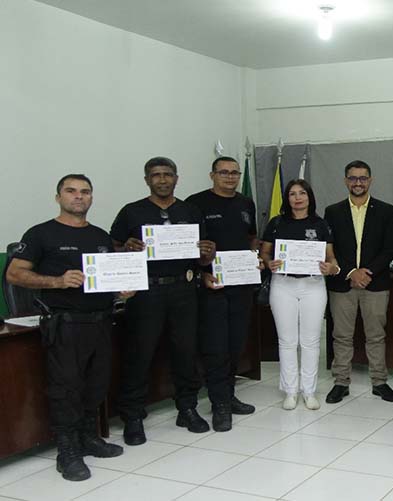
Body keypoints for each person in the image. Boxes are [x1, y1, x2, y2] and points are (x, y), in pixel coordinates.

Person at [6, 175, 129, 481]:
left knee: (96, 384)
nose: (79, 197)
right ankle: (67, 451)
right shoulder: (40, 234)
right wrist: (57, 281)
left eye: (85, 192)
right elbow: (14, 274)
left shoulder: (100, 236)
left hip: (101, 321)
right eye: (71, 191)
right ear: (58, 197)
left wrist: (123, 290)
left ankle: (88, 438)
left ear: (91, 198)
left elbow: (108, 280)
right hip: (65, 325)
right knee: (66, 389)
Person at [111, 156, 216, 445]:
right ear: (147, 179)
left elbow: (203, 254)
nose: (162, 179)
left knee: (185, 351)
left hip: (184, 289)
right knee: (139, 353)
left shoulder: (190, 210)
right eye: (156, 175)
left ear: (176, 179)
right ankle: (132, 414)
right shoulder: (132, 212)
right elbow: (113, 247)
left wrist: (208, 252)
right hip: (146, 292)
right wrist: (126, 248)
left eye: (167, 174)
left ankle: (187, 407)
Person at [185, 156, 261, 432]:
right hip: (212, 286)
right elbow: (189, 245)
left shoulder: (245, 203)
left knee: (235, 343)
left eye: (234, 173)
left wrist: (255, 257)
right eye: (224, 172)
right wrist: (202, 273)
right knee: (215, 347)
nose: (230, 177)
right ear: (212, 175)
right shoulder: (195, 203)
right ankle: (219, 405)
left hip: (242, 284)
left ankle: (228, 394)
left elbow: (251, 237)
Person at [259, 179, 340, 411]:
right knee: (287, 341)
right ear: (287, 198)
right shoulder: (276, 223)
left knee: (310, 341)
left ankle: (309, 390)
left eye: (302, 193)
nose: (297, 198)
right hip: (283, 284)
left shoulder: (321, 224)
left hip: (313, 285)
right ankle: (291, 391)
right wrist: (268, 262)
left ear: (309, 197)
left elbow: (331, 258)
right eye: (292, 193)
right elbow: (264, 252)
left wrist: (332, 268)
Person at [323, 160, 393, 404]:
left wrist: (367, 272)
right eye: (353, 178)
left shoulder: (386, 210)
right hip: (342, 283)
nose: (358, 182)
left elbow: (390, 247)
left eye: (363, 178)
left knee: (376, 335)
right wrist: (350, 272)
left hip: (375, 283)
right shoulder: (332, 211)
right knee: (341, 336)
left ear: (370, 180)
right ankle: (341, 382)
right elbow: (330, 248)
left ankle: (379, 382)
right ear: (346, 181)